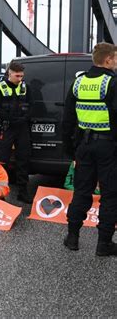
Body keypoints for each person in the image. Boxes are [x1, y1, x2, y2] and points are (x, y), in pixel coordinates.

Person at [62, 42, 117, 256]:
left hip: (83, 146)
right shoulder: (112, 83)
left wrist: (70, 150)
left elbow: (67, 119)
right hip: (107, 146)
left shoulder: (79, 82)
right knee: (110, 195)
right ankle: (104, 243)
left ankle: (73, 237)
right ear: (108, 60)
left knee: (82, 191)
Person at [0, 61, 32, 203]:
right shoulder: (0, 87)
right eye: (17, 76)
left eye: (22, 76)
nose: (20, 78)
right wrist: (11, 119)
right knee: (1, 160)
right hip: (7, 127)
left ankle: (23, 192)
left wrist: (24, 119)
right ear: (10, 73)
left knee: (23, 159)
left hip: (22, 128)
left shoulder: (25, 87)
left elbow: (31, 105)